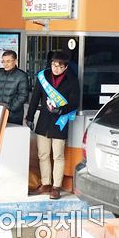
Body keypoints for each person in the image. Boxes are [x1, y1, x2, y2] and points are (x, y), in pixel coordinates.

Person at [26, 52, 80, 200]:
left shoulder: (72, 80)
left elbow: (75, 102)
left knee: (58, 156)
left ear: (66, 67)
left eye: (59, 66)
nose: (56, 68)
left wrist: (62, 110)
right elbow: (35, 98)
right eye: (54, 65)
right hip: (43, 121)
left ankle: (56, 187)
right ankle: (45, 184)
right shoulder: (43, 77)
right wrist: (30, 117)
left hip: (59, 123)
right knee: (42, 154)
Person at [0, 50, 29, 125]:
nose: (5, 64)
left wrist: (10, 109)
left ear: (15, 61)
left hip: (13, 115)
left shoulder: (21, 76)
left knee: (12, 135)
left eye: (8, 61)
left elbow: (23, 96)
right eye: (3, 61)